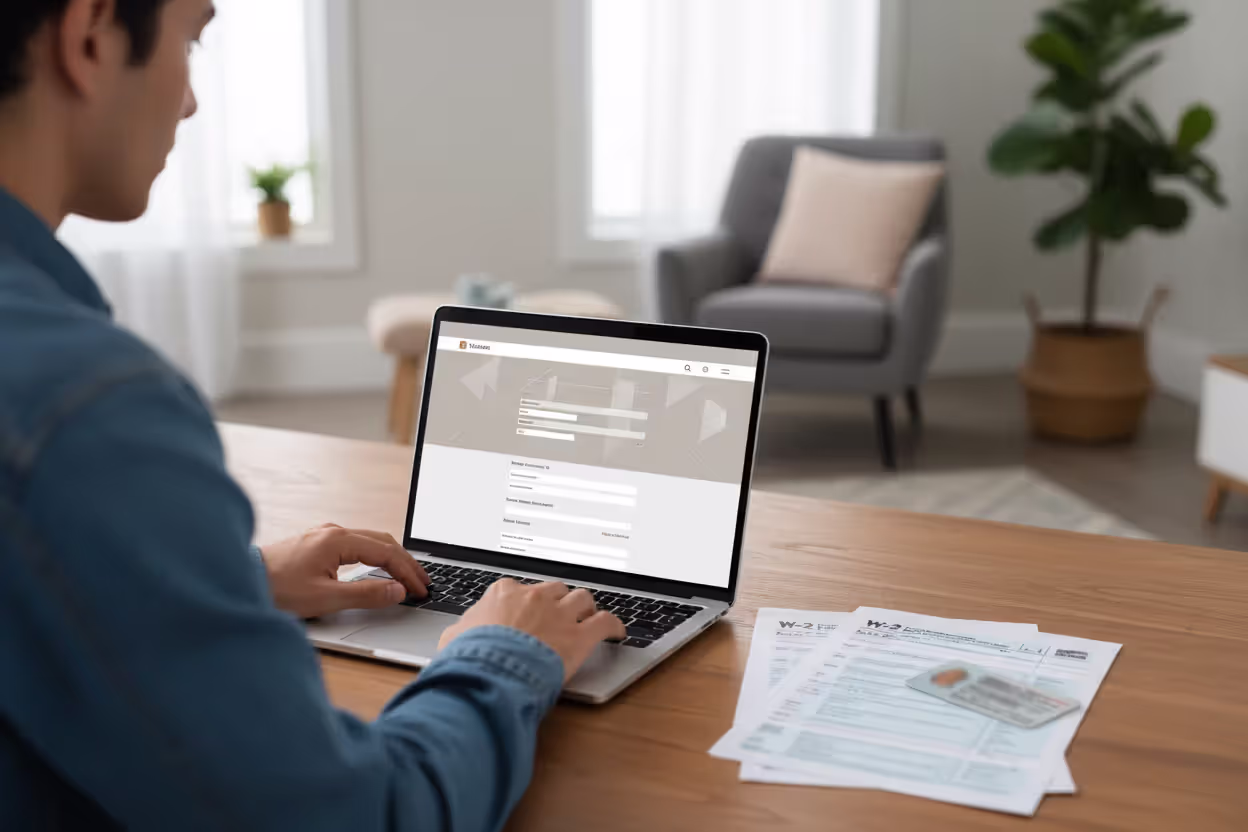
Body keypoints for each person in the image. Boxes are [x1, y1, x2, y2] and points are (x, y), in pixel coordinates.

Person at [0, 1, 625, 829]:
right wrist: (508, 652)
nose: (189, 102)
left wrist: (229, 585)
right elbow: (363, 815)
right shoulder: (86, 406)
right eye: (192, 39)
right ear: (89, 35)